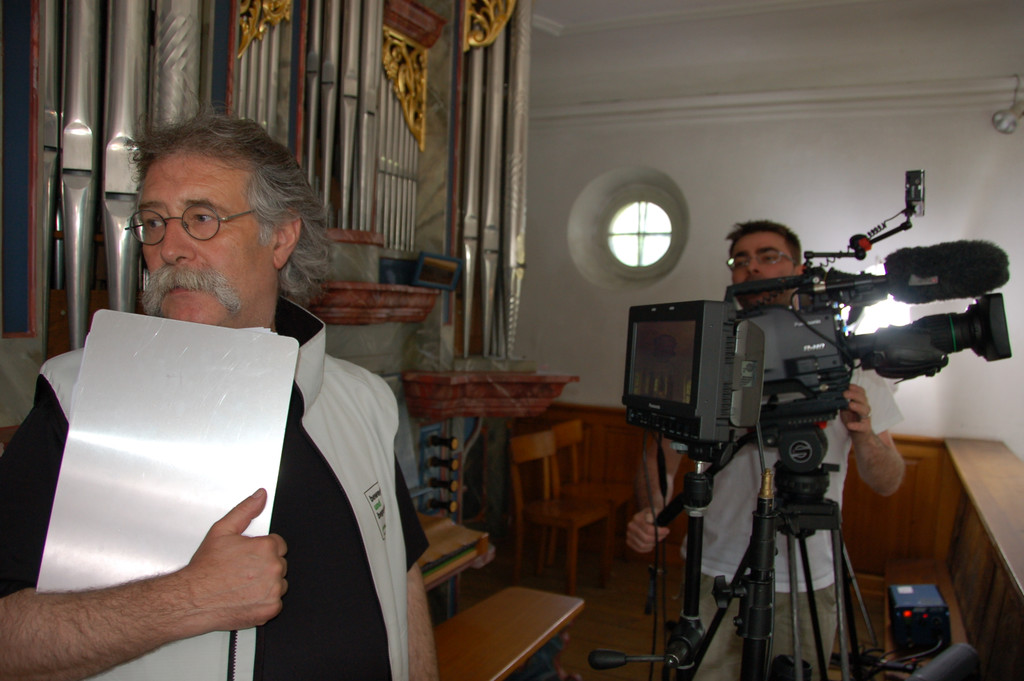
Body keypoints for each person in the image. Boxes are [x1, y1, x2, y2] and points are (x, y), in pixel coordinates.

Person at [0, 110, 439, 681]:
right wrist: (188, 598)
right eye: (153, 222)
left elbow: (403, 577)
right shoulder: (74, 400)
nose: (170, 248)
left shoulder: (365, 401)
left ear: (280, 237)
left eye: (201, 218)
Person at [625, 220, 905, 681]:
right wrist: (651, 509)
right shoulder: (703, 358)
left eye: (768, 256)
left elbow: (888, 481)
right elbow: (662, 453)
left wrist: (864, 434)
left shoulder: (849, 359)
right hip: (714, 568)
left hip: (809, 577)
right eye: (741, 260)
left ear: (798, 268)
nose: (752, 268)